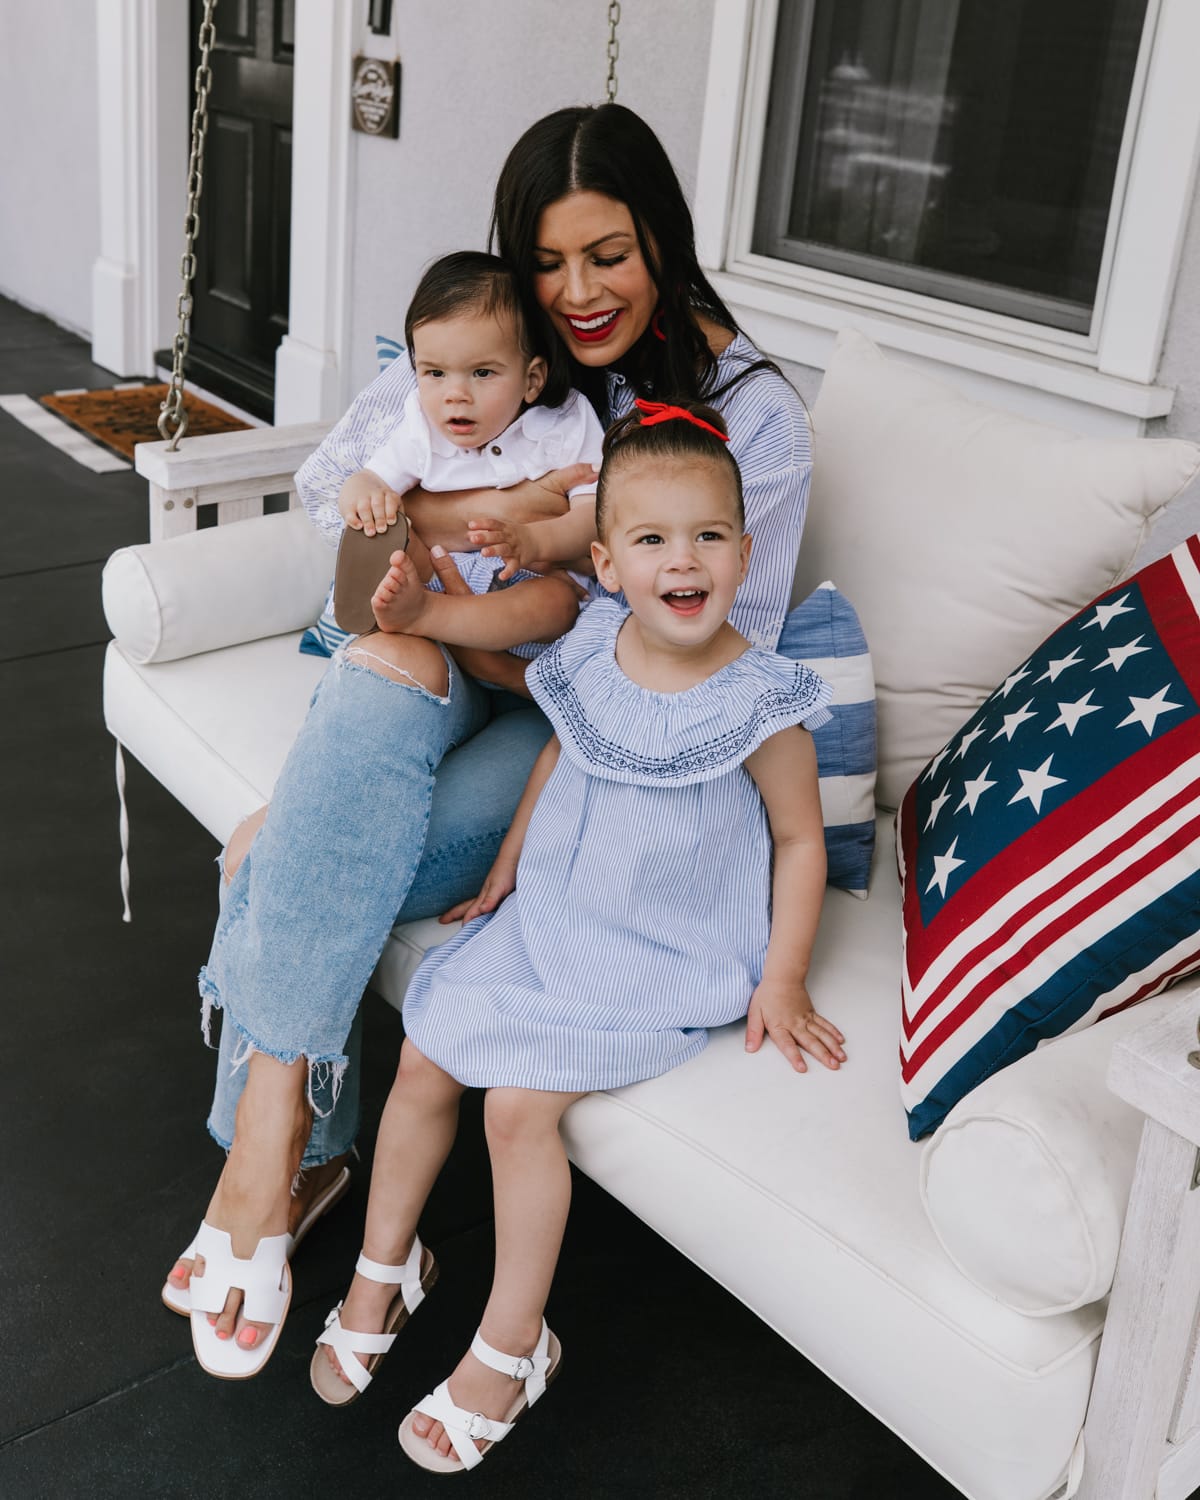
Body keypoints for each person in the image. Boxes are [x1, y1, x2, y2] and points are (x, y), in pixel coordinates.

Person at [163, 102, 815, 1376]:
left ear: (666, 244)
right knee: (379, 665)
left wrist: (536, 571)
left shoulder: (755, 418)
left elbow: (709, 645)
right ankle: (269, 1157)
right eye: (550, 262)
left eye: (610, 255)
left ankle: (286, 1170)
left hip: (588, 722)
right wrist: (495, 509)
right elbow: (334, 493)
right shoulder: (506, 343)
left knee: (281, 858)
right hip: (460, 645)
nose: (577, 294)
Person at [313, 403, 844, 1471]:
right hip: (556, 912)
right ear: (607, 560)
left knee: (515, 1108)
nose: (681, 561)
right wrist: (509, 865)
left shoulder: (761, 701)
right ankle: (385, 1265)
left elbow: (799, 841)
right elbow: (564, 756)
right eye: (651, 540)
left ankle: (514, 1342)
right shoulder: (596, 641)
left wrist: (782, 979)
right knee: (425, 1051)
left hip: (660, 951)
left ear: (743, 552)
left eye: (707, 537)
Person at [338, 249, 604, 614]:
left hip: (527, 584)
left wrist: (532, 540)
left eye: (482, 373)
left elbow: (593, 518)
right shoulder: (421, 426)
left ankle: (444, 632)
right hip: (437, 582)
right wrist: (362, 495)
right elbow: (371, 479)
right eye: (435, 373)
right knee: (388, 535)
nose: (455, 396)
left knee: (556, 602)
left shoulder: (564, 422)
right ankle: (404, 618)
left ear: (532, 380)